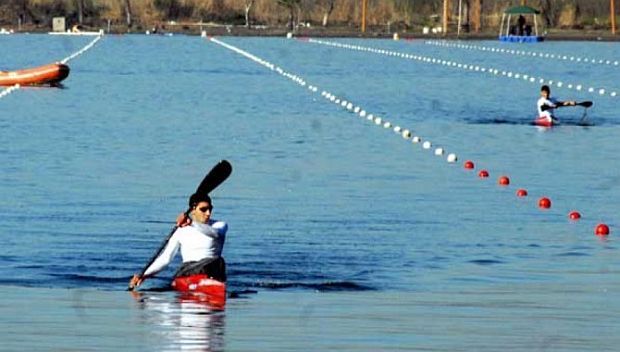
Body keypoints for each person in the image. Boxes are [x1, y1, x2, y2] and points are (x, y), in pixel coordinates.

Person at [129, 193, 228, 289]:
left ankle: (213, 284)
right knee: (214, 263)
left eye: (210, 209)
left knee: (217, 261)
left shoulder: (220, 225)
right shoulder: (180, 230)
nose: (208, 213)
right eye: (203, 209)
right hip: (189, 270)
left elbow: (215, 234)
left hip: (213, 267)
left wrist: (191, 223)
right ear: (193, 210)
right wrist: (144, 275)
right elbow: (165, 258)